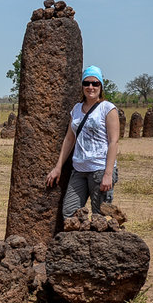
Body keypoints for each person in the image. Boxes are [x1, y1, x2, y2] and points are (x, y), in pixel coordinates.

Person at [46, 65, 120, 217]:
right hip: (79, 170)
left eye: (95, 83)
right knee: (70, 213)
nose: (90, 87)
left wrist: (108, 173)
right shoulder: (77, 109)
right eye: (86, 83)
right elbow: (69, 139)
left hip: (100, 169)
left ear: (101, 86)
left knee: (100, 216)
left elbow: (114, 142)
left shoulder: (108, 109)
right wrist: (58, 167)